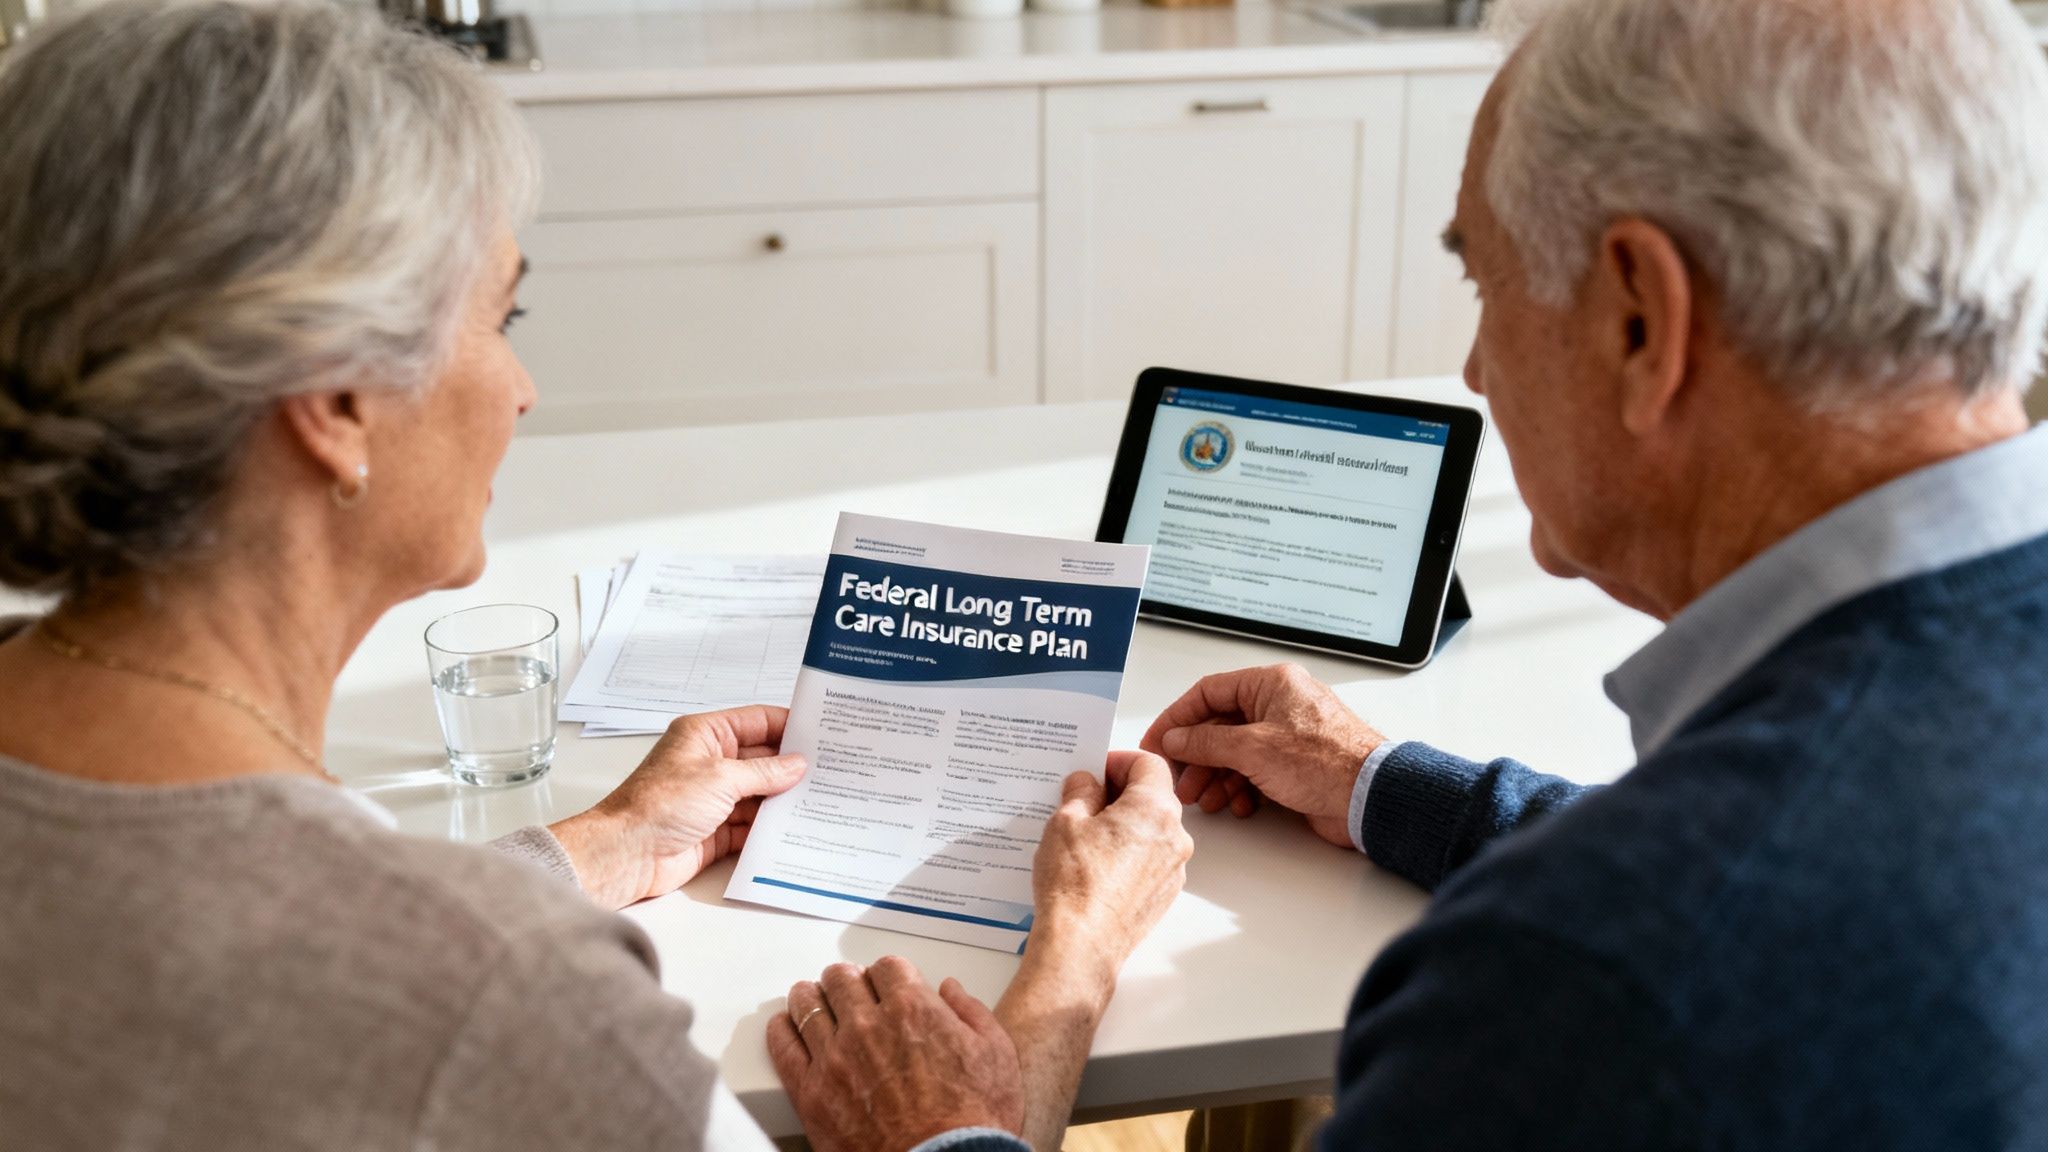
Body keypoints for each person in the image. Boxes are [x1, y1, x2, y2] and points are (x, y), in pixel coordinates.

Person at [778, 0, 2048, 1148]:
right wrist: (1383, 786)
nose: (1475, 371)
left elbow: (1709, 922)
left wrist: (946, 1131)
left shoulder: (1580, 983)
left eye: (1482, 279)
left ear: (1638, 321)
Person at [0, 2, 1189, 1149]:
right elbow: (398, 971)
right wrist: (1073, 960)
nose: (521, 389)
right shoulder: (517, 1002)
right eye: (503, 318)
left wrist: (601, 842)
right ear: (336, 401)